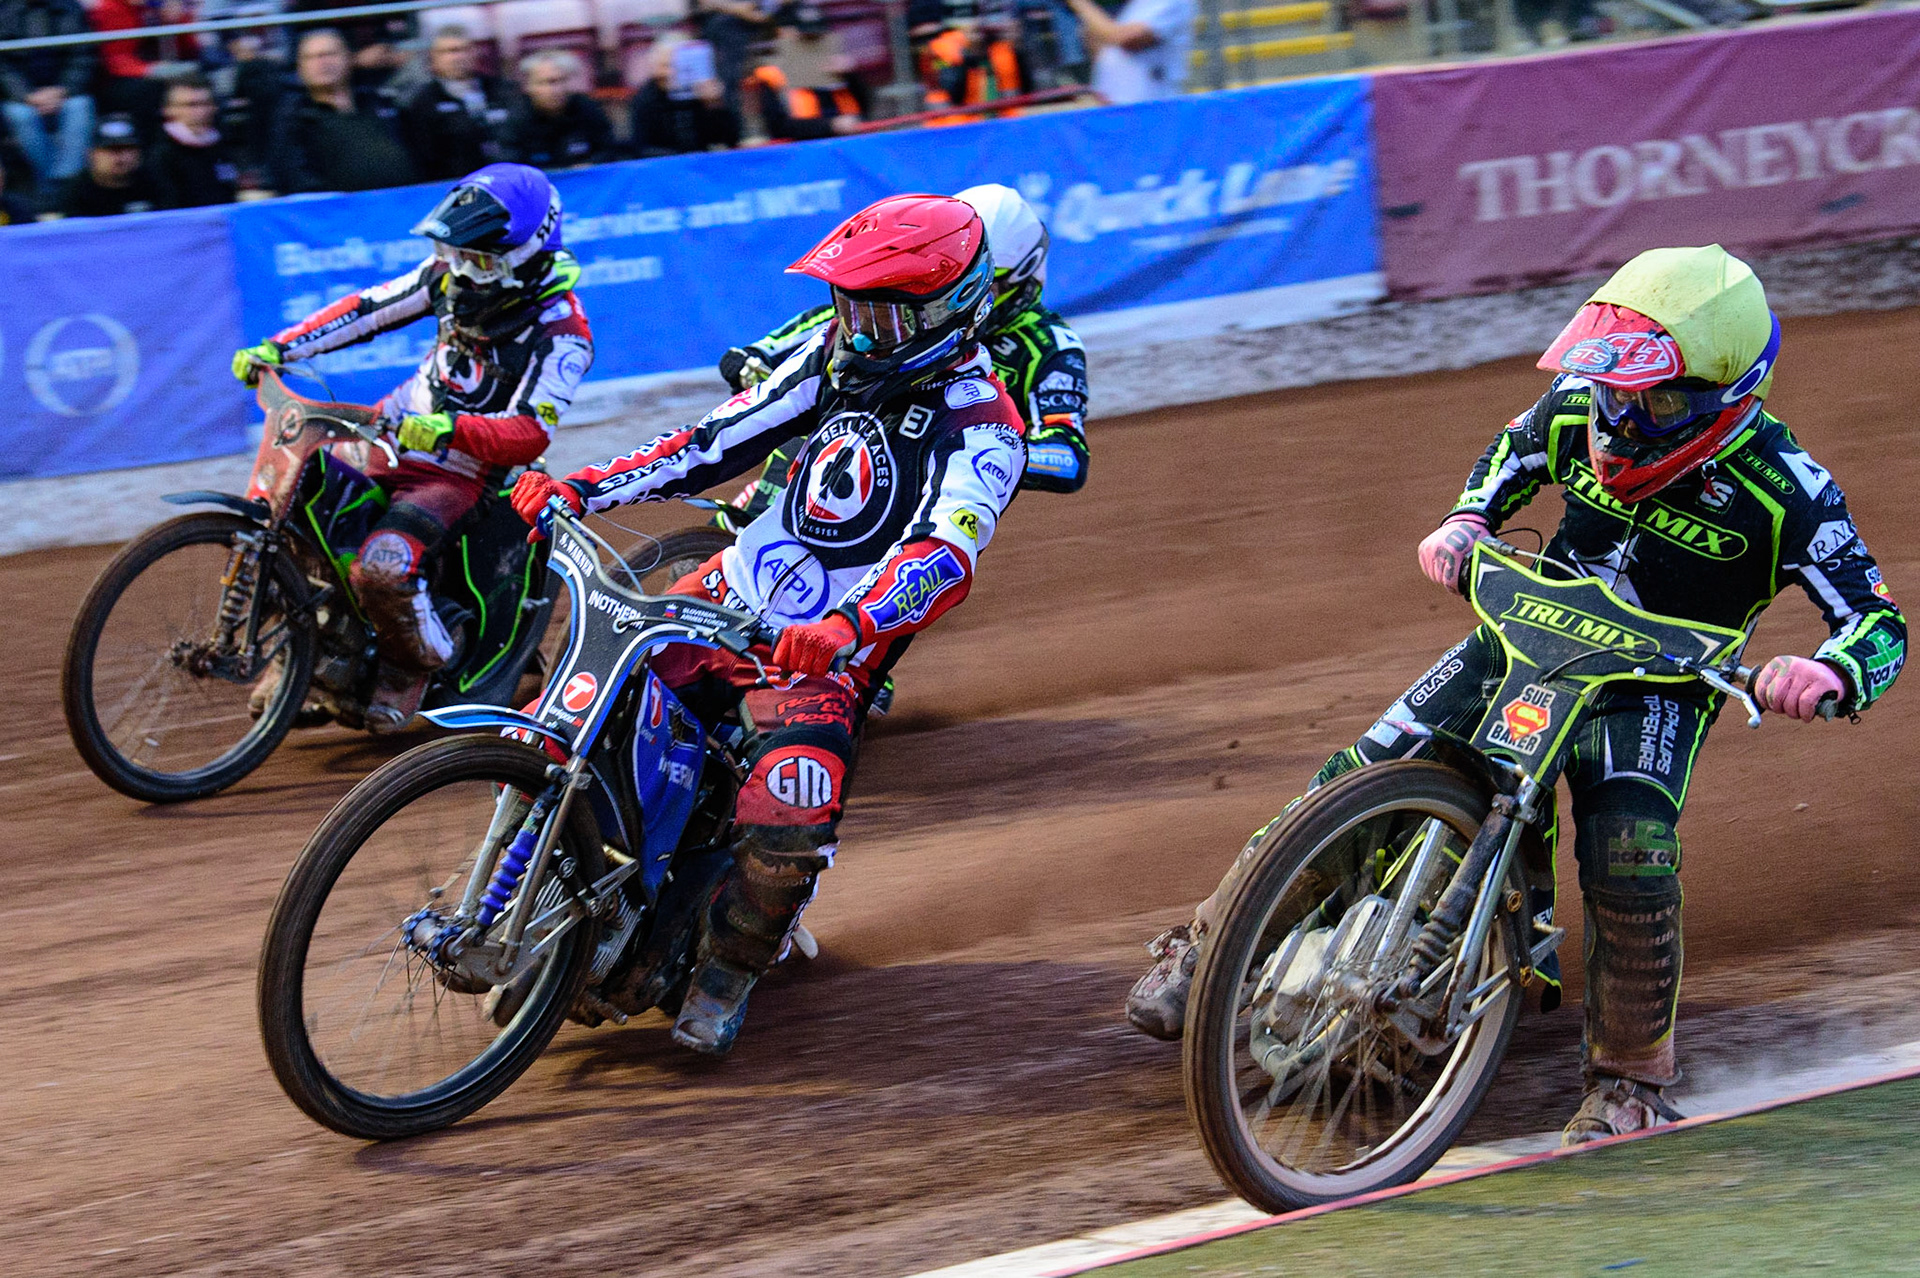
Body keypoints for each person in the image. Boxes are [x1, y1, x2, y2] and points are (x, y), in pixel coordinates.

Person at [1123, 245, 1906, 1144]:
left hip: (1653, 683)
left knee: (1630, 844)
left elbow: (1880, 624)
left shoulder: (1789, 489)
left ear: (1724, 396)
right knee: (1369, 764)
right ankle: (1217, 942)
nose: (1619, 417)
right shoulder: (1582, 404)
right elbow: (1512, 449)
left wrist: (1831, 671)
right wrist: (1467, 518)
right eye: (1614, 390)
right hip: (1524, 632)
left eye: (1653, 400)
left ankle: (1632, 1081)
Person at [508, 194, 1025, 1056]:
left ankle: (729, 969)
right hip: (717, 595)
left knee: (795, 802)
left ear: (947, 309)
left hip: (821, 658)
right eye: (848, 306)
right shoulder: (831, 358)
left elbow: (946, 554)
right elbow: (709, 441)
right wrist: (584, 487)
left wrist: (851, 626)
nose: (857, 329)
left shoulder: (984, 425)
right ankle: (545, 880)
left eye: (878, 314)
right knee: (570, 711)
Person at [230, 164, 595, 730]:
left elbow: (531, 431)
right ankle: (299, 655)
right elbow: (367, 309)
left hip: (465, 471)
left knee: (384, 563)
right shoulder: (446, 276)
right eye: (454, 253)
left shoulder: (562, 332)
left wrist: (450, 430)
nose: (460, 268)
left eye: (477, 258)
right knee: (292, 509)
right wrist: (281, 348)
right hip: (389, 434)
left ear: (523, 255)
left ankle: (413, 669)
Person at [716, 182, 1088, 530]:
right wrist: (759, 351)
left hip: (934, 462)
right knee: (809, 419)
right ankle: (738, 531)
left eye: (989, 280)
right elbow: (844, 318)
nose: (969, 290)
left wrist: (991, 451)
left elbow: (1067, 458)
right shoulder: (929, 300)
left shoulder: (1049, 344)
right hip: (866, 428)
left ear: (1021, 277)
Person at [271, 28, 417, 194]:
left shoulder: (382, 103)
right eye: (311, 57)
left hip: (410, 204)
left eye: (330, 54)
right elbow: (295, 179)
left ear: (349, 58)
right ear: (299, 67)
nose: (323, 62)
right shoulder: (294, 120)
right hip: (338, 214)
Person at [0, 0, 96, 184]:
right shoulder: (4, 10)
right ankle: (47, 185)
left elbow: (84, 55)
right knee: (21, 116)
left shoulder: (71, 8)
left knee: (80, 107)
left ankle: (67, 183)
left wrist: (63, 90)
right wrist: (26, 96)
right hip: (18, 95)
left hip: (65, 91)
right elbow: (2, 66)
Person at [401, 26, 511, 181]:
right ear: (433, 57)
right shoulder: (422, 102)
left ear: (475, 53)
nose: (457, 57)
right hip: (454, 184)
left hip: (511, 178)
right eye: (448, 51)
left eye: (463, 50)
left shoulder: (503, 89)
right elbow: (424, 156)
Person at [749, 7, 866, 141]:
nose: (812, 42)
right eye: (805, 37)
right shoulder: (772, 75)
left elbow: (864, 110)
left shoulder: (837, 67)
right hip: (801, 152)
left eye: (817, 36)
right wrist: (830, 126)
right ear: (783, 34)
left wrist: (851, 76)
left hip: (846, 148)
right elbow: (778, 127)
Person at [500, 49, 616, 170]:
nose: (556, 89)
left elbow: (611, 150)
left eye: (562, 80)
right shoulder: (514, 119)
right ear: (528, 86)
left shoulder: (587, 108)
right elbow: (509, 167)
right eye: (546, 82)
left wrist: (591, 165)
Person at [1059, 0, 1192, 104]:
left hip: (1151, 108)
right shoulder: (1136, 5)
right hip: (1117, 108)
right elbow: (1107, 50)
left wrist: (1080, 4)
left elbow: (1124, 38)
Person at [627, 37, 739, 157]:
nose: (671, 73)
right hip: (667, 166)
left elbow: (730, 140)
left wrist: (714, 106)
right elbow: (641, 147)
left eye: (676, 66)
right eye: (665, 66)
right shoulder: (645, 99)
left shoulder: (703, 92)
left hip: (702, 164)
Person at [149, 75, 241, 208]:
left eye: (206, 104)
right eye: (190, 105)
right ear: (168, 110)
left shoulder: (223, 146)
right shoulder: (160, 156)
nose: (201, 112)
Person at [57, 112, 157, 217]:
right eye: (110, 149)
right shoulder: (72, 193)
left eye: (127, 148)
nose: (119, 157)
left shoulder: (155, 185)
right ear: (92, 154)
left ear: (139, 153)